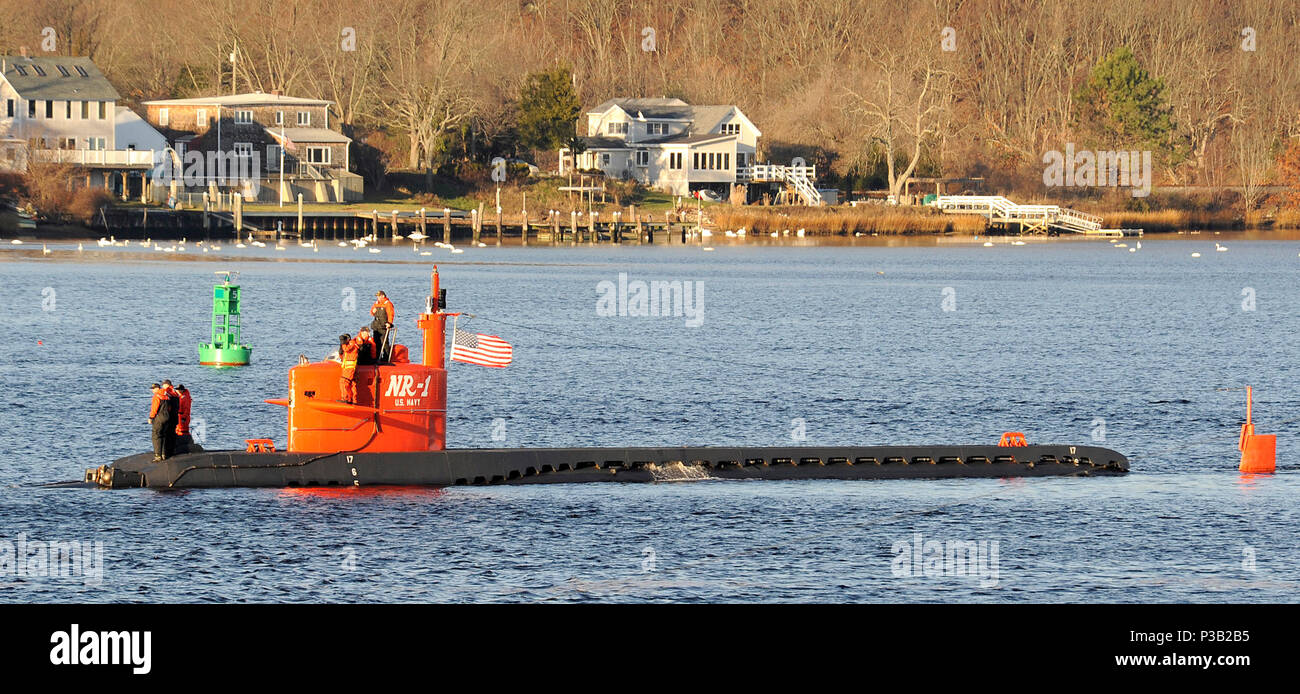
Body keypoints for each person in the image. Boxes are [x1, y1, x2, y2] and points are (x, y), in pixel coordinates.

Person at [148, 383, 173, 461]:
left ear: (157, 389)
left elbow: (154, 408)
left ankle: (157, 455)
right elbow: (170, 408)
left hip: (159, 418)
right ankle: (163, 454)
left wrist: (151, 418)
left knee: (156, 435)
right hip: (167, 417)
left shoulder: (157, 396)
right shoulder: (167, 396)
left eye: (153, 389)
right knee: (164, 435)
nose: (152, 390)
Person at [370, 291, 395, 361]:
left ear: (383, 296)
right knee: (376, 342)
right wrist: (373, 311)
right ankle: (377, 357)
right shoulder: (376, 303)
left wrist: (389, 323)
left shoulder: (388, 304)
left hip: (384, 325)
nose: (378, 298)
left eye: (379, 296)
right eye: (377, 296)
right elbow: (371, 312)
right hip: (376, 325)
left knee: (384, 342)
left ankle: (386, 357)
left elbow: (391, 314)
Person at [174, 385, 196, 454]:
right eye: (177, 389)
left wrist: (184, 417)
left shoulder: (185, 398)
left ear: (182, 390)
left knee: (182, 430)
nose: (177, 391)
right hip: (179, 415)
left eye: (178, 389)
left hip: (183, 416)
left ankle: (185, 445)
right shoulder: (180, 397)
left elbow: (187, 409)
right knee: (178, 430)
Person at [338, 333, 359, 404]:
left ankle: (345, 398)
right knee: (352, 384)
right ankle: (353, 400)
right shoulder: (349, 345)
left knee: (344, 381)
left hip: (350, 368)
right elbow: (343, 356)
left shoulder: (352, 344)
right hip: (348, 368)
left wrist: (343, 344)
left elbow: (346, 349)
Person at [161, 380, 180, 457]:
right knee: (172, 433)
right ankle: (172, 450)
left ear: (167, 385)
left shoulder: (167, 393)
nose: (162, 387)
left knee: (167, 434)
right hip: (175, 416)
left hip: (170, 416)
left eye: (163, 385)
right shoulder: (175, 392)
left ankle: (166, 452)